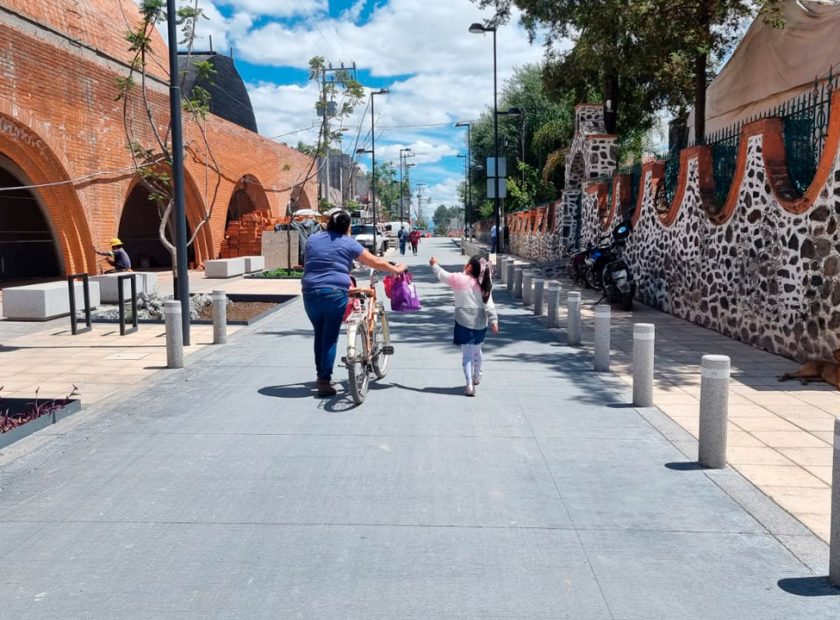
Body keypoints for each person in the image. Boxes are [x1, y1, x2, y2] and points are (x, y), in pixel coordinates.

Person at [302, 211, 407, 397]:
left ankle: (321, 376)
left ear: (329, 223)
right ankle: (324, 381)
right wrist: (396, 269)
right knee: (330, 338)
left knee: (320, 333)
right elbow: (375, 261)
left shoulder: (313, 239)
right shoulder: (348, 242)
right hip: (334, 293)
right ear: (347, 227)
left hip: (310, 292)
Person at [429, 254, 499, 397]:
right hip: (480, 324)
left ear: (469, 267)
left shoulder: (459, 279)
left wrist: (434, 264)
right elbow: (489, 304)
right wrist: (494, 320)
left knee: (467, 356)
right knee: (477, 351)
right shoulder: (484, 284)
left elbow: (442, 275)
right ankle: (477, 376)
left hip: (463, 323)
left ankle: (469, 385)